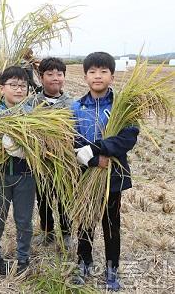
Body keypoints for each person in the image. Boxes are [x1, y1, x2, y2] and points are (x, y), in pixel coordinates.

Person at [71, 52, 139, 291]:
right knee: (85, 221)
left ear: (112, 76)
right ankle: (84, 263)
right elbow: (72, 140)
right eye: (92, 72)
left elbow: (128, 138)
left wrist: (100, 150)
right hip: (86, 174)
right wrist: (91, 161)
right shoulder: (76, 107)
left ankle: (112, 269)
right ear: (85, 76)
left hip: (114, 174)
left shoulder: (123, 105)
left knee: (111, 223)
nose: (97, 76)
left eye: (103, 72)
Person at [0, 66, 36, 276]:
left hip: (26, 176)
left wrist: (27, 150)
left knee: (24, 220)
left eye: (22, 86)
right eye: (13, 85)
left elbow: (42, 146)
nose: (18, 90)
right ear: (1, 88)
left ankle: (23, 258)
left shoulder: (34, 116)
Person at [25, 57, 74, 249]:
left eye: (59, 74)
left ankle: (67, 233)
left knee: (64, 198)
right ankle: (47, 232)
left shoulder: (71, 104)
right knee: (43, 198)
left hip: (64, 161)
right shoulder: (32, 102)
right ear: (40, 76)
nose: (55, 78)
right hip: (40, 161)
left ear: (64, 77)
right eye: (50, 74)